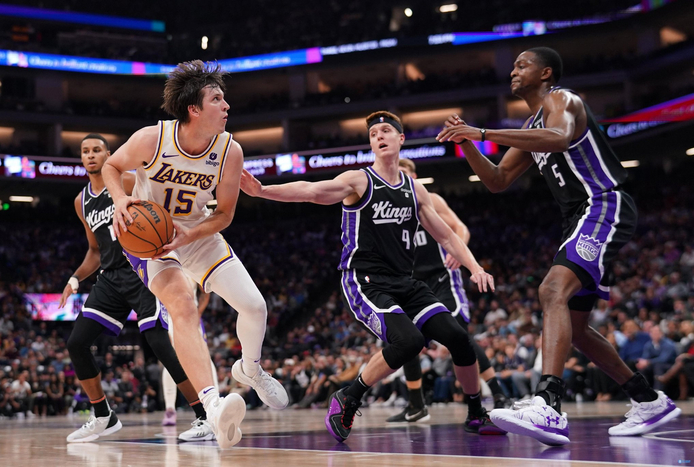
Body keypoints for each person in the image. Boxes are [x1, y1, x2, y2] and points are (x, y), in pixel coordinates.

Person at [436, 46, 681, 445]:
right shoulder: (532, 124)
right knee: (577, 330)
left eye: (522, 65)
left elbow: (560, 137)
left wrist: (483, 133)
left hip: (603, 203)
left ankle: (548, 404)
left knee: (551, 290)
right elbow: (497, 180)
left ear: (546, 73)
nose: (513, 71)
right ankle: (648, 399)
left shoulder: (561, 100)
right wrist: (466, 142)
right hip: (578, 218)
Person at [240, 110, 497, 443]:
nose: (379, 136)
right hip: (365, 281)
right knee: (409, 341)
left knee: (458, 337)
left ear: (400, 139)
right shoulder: (359, 181)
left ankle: (475, 411)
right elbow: (312, 190)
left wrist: (475, 267)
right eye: (374, 133)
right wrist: (262, 191)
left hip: (406, 281)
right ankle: (350, 397)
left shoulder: (415, 189)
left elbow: (447, 236)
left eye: (386, 130)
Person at [102, 60, 288, 449]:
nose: (226, 106)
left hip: (197, 233)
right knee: (183, 306)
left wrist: (190, 234)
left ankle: (250, 370)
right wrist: (120, 199)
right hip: (152, 243)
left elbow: (225, 214)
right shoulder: (152, 139)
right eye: (217, 99)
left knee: (255, 307)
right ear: (194, 109)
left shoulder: (230, 151)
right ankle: (212, 405)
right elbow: (111, 166)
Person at [60, 134, 214, 443]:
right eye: (85, 151)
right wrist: (74, 279)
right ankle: (103, 415)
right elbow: (95, 250)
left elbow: (161, 212)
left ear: (109, 155)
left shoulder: (129, 181)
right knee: (77, 343)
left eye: (97, 150)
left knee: (160, 344)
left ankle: (205, 415)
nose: (91, 155)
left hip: (142, 269)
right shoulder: (81, 201)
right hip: (110, 277)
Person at [385, 158, 508, 429]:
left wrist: (458, 247)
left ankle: (498, 392)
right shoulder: (387, 205)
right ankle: (416, 405)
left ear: (414, 176)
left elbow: (460, 228)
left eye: (403, 172)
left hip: (441, 276)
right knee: (405, 339)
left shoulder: (429, 198)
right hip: (412, 283)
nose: (398, 177)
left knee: (458, 333)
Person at [162, 274, 220, 438]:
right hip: (169, 315)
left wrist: (199, 312)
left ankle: (215, 402)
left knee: (203, 355)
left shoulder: (190, 265)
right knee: (171, 358)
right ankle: (170, 408)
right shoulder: (163, 265)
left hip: (190, 315)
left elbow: (206, 292)